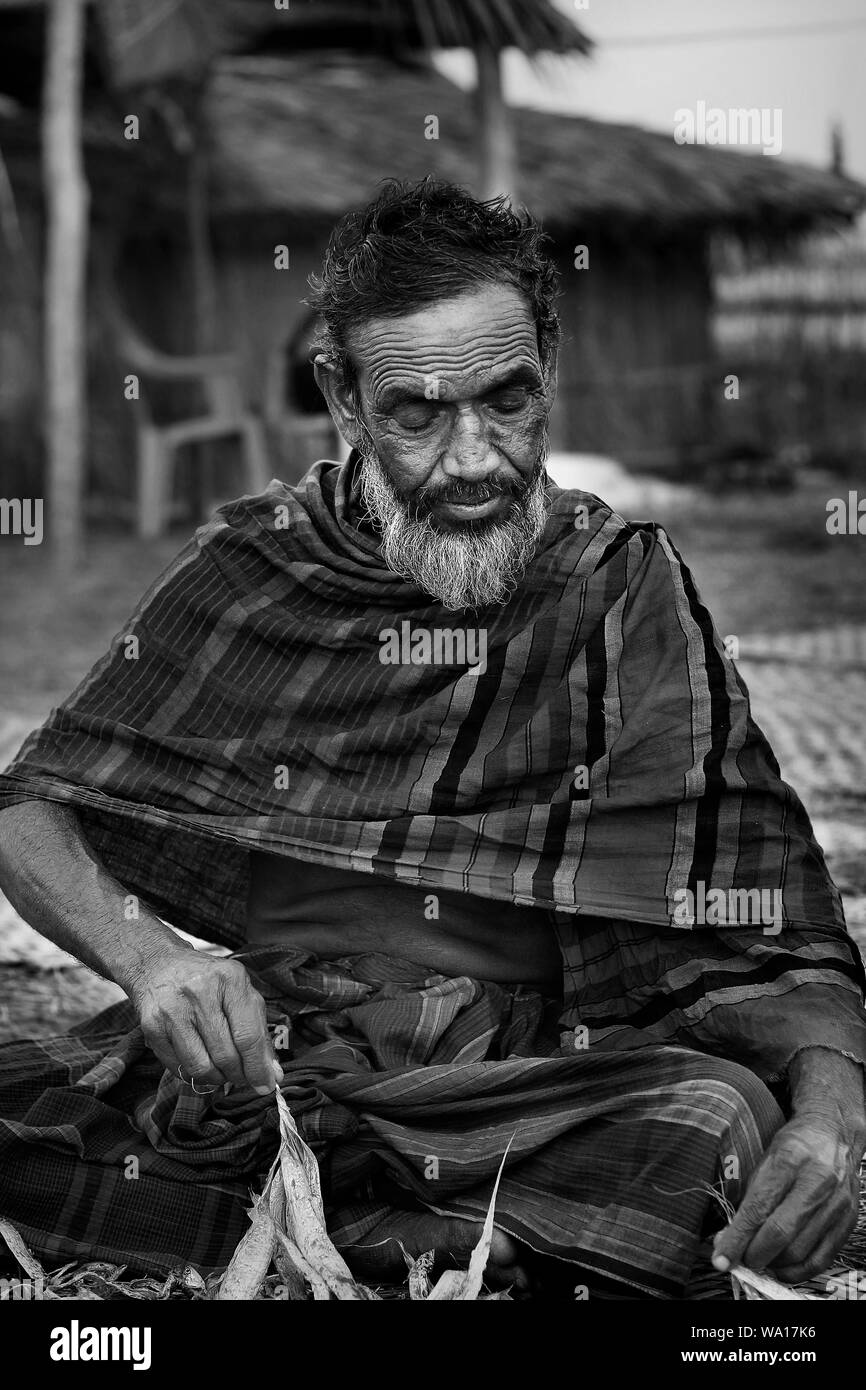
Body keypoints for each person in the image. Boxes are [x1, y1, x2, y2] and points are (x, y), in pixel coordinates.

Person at [0, 177, 864, 1299]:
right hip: (261, 1077)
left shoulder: (617, 587)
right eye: (415, 412)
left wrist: (832, 1124)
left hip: (509, 1092)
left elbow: (770, 942)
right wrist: (151, 957)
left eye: (506, 401)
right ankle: (440, 1239)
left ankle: (338, 1228)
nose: (470, 459)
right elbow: (28, 802)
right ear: (342, 399)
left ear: (546, 364)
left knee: (715, 1126)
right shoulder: (255, 567)